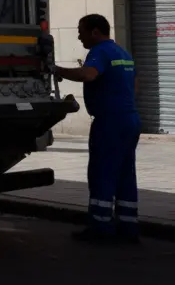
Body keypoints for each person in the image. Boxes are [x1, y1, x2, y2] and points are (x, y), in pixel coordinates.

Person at [50, 14, 141, 244]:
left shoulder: (99, 52)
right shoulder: (123, 52)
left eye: (81, 31)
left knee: (102, 173)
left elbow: (88, 74)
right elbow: (135, 86)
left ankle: (100, 228)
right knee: (125, 174)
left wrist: (57, 70)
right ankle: (128, 228)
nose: (79, 36)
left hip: (109, 122)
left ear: (95, 32)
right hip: (129, 119)